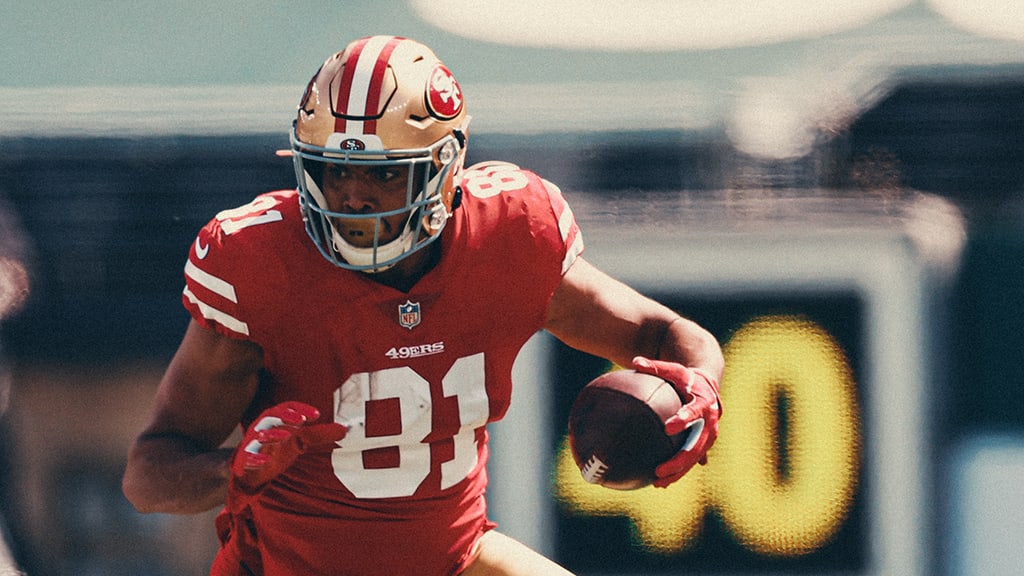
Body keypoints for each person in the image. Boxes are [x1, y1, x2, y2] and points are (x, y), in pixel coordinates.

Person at [122, 35, 724, 576]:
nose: (351, 197)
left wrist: (700, 390)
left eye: (382, 175)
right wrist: (233, 472)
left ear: (445, 169)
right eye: (334, 170)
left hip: (454, 559)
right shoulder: (262, 265)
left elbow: (662, 332)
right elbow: (148, 475)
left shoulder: (509, 235)